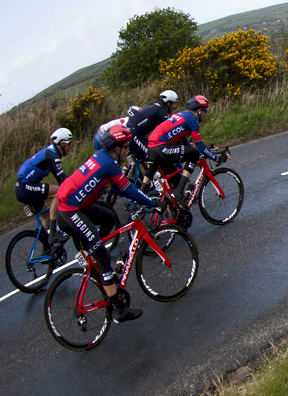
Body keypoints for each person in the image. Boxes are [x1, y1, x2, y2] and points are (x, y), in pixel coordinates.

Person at [57, 125, 166, 323]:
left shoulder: (102, 156)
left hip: (74, 206)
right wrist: (152, 202)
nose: (128, 150)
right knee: (102, 255)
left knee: (109, 217)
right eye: (125, 147)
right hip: (69, 211)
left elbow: (119, 188)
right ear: (116, 149)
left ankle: (99, 267)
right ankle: (118, 309)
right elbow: (127, 190)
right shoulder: (110, 165)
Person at [146, 95, 224, 207]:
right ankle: (178, 192)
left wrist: (206, 153)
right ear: (199, 110)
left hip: (153, 147)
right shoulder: (193, 120)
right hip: (160, 147)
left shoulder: (183, 115)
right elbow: (200, 147)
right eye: (205, 111)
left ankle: (178, 213)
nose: (205, 114)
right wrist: (216, 158)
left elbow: (183, 141)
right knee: (194, 154)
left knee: (177, 180)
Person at [16, 128, 72, 246]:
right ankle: (53, 234)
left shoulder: (51, 152)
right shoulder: (53, 155)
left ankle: (46, 247)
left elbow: (61, 179)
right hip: (25, 186)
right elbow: (62, 179)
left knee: (46, 216)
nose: (70, 146)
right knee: (57, 193)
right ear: (62, 144)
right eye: (69, 143)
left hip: (23, 187)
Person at [126, 90, 178, 165]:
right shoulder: (162, 112)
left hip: (136, 133)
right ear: (169, 103)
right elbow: (168, 131)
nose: (174, 106)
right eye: (174, 104)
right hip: (133, 134)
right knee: (151, 156)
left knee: (154, 150)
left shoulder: (158, 107)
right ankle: (151, 176)